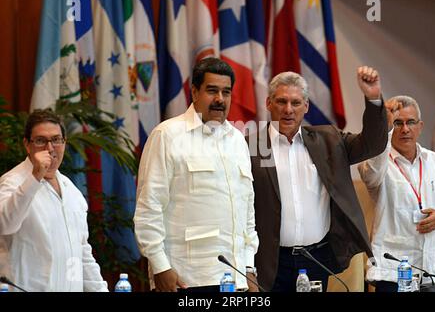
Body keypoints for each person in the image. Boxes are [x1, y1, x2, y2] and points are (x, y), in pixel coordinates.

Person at [248, 66, 388, 292]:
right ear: (268, 104)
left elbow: (373, 144)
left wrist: (372, 99)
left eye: (295, 103)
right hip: (270, 262)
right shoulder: (254, 145)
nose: (288, 110)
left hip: (316, 259)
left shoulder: (327, 140)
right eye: (281, 101)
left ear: (306, 106)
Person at [134, 57, 259, 292]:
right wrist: (160, 266)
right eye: (212, 91)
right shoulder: (167, 135)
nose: (220, 99)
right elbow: (148, 207)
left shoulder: (238, 141)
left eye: (226, 92)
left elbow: (247, 211)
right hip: (187, 278)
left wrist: (249, 268)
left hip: (236, 279)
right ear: (194, 92)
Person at [0, 109, 108, 292]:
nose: (50, 148)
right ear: (27, 145)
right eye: (41, 140)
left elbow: (82, 253)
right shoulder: (12, 181)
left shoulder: (72, 191)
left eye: (56, 140)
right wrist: (35, 177)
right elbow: (5, 224)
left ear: (64, 143)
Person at [358, 96, 435, 292]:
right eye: (398, 123)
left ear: (420, 126)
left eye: (410, 122)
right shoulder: (376, 161)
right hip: (393, 270)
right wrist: (384, 127)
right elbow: (370, 175)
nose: (405, 129)